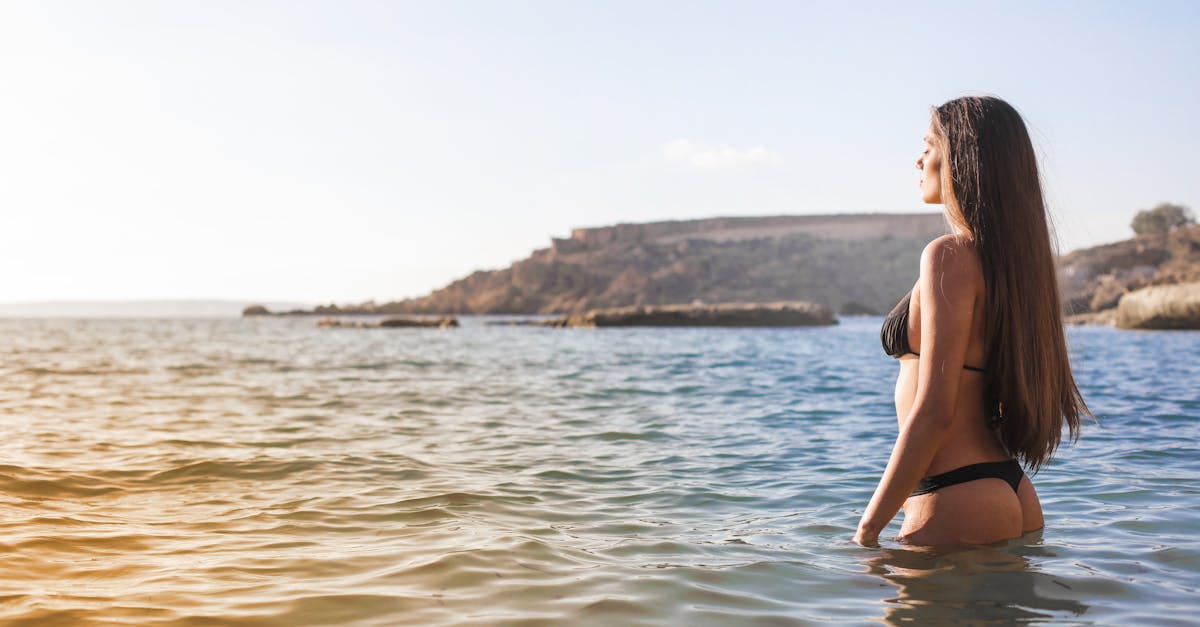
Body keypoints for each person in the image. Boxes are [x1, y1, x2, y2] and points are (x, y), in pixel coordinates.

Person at [854, 96, 1092, 547]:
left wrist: (868, 529)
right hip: (1008, 488)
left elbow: (935, 409)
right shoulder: (1012, 266)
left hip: (955, 490)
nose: (918, 159)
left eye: (928, 145)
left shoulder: (949, 255)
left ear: (959, 156)